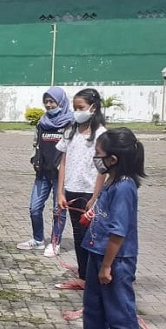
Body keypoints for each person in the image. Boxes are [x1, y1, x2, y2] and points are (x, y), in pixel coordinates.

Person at [64, 128, 145, 329]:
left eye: (98, 155)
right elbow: (106, 217)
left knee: (120, 314)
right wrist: (92, 213)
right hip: (96, 254)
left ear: (113, 158)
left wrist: (107, 266)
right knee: (94, 310)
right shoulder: (110, 182)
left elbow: (119, 232)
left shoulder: (124, 187)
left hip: (115, 261)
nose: (94, 159)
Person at [54, 88, 107, 292]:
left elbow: (102, 169)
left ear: (93, 108)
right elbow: (63, 163)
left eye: (81, 108)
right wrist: (60, 192)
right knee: (78, 234)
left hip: (89, 192)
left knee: (90, 235)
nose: (77, 111)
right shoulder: (71, 131)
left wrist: (95, 196)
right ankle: (84, 275)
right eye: (74, 107)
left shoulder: (101, 135)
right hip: (71, 190)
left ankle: (94, 276)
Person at [17, 86, 73, 257]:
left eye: (52, 101)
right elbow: (36, 143)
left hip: (61, 175)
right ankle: (38, 239)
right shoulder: (42, 122)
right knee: (34, 208)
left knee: (58, 210)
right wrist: (35, 159)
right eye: (46, 102)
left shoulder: (70, 123)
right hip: (43, 173)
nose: (49, 105)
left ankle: (55, 243)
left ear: (61, 102)